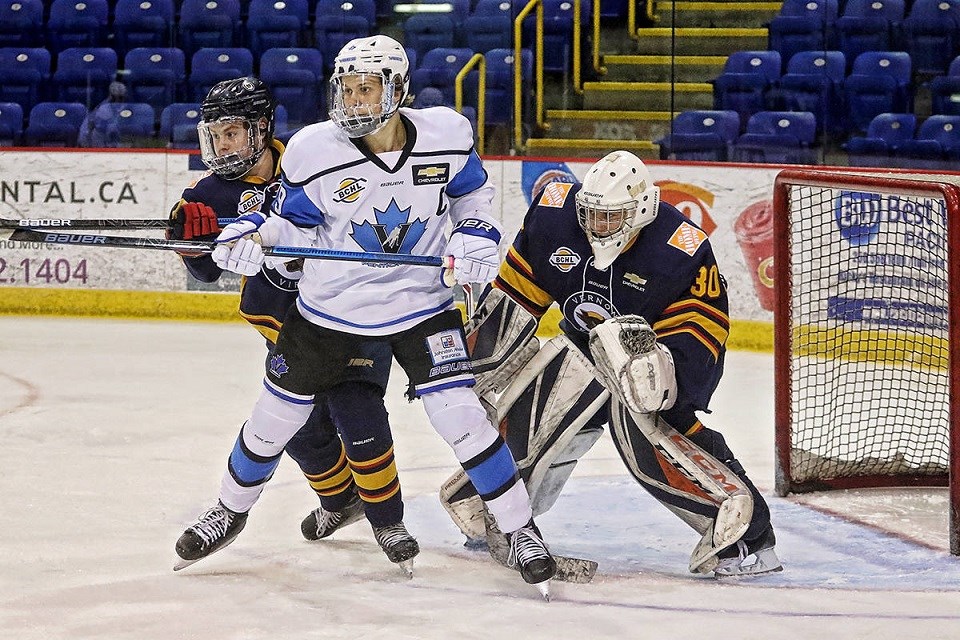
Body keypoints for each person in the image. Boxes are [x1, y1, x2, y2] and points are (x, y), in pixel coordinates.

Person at [208, 36, 558, 596]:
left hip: (423, 306)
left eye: (366, 87)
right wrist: (254, 236)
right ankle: (227, 511)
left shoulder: (446, 134)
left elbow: (472, 196)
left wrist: (477, 231)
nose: (353, 99)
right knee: (273, 420)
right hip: (330, 312)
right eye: (345, 88)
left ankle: (521, 530)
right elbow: (294, 227)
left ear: (398, 89)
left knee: (462, 418)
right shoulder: (313, 149)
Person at [452, 150, 781, 578]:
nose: (595, 226)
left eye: (610, 217)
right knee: (534, 406)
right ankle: (495, 511)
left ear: (641, 211)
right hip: (582, 347)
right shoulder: (554, 217)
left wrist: (667, 385)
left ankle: (748, 539)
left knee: (655, 429)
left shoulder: (680, 247)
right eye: (590, 213)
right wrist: (466, 364)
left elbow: (703, 330)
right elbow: (513, 297)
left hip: (650, 360)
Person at [168, 77, 410, 572]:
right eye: (214, 136)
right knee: (300, 432)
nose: (221, 145)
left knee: (357, 409)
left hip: (353, 317)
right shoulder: (210, 193)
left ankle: (388, 519)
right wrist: (190, 244)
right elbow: (209, 269)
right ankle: (343, 500)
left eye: (231, 133)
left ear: (261, 130)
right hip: (286, 330)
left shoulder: (314, 159)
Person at [77, 80, 126, 148]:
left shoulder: (121, 106)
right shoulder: (104, 109)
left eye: (121, 97)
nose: (119, 100)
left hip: (103, 140)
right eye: (117, 97)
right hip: (89, 142)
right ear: (111, 97)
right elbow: (105, 131)